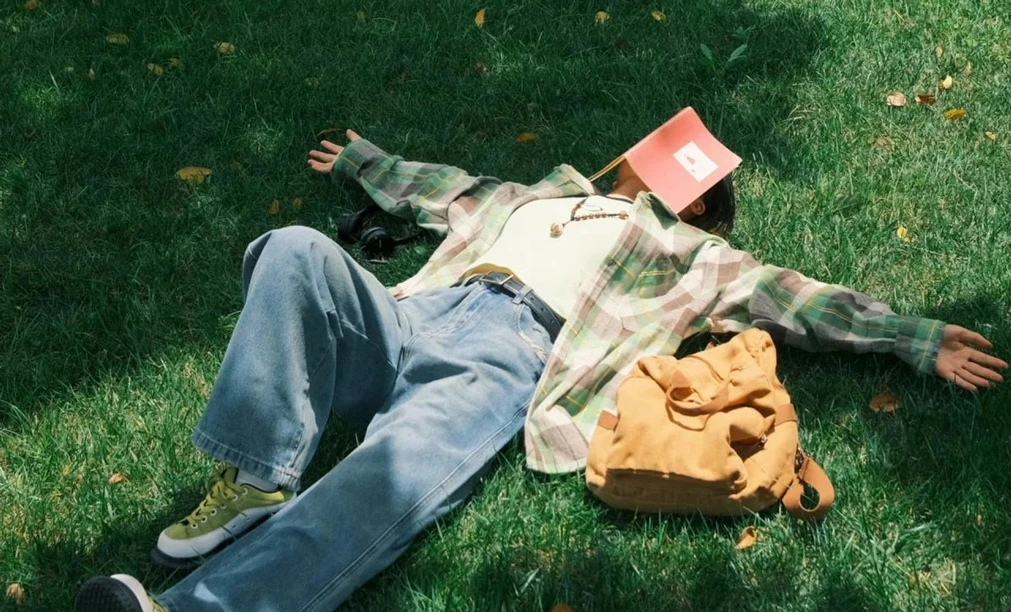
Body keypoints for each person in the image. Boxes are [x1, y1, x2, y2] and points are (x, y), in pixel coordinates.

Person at [76, 124, 1007, 612]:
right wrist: (365, 162)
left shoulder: (692, 255)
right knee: (290, 249)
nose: (639, 169)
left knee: (378, 484)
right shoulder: (543, 193)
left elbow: (797, 298)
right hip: (413, 316)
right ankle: (253, 475)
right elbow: (446, 191)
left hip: (510, 358)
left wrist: (915, 338)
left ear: (698, 207)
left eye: (670, 174)